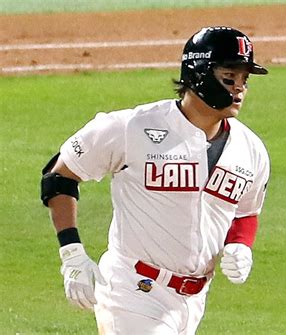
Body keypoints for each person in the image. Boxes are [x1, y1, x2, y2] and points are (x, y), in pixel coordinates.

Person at [40, 26, 270, 334]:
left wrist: (241, 245)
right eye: (230, 78)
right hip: (132, 291)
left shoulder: (250, 149)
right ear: (198, 74)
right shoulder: (133, 127)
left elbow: (245, 212)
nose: (239, 89)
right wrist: (71, 254)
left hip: (194, 300)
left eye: (245, 80)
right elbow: (59, 176)